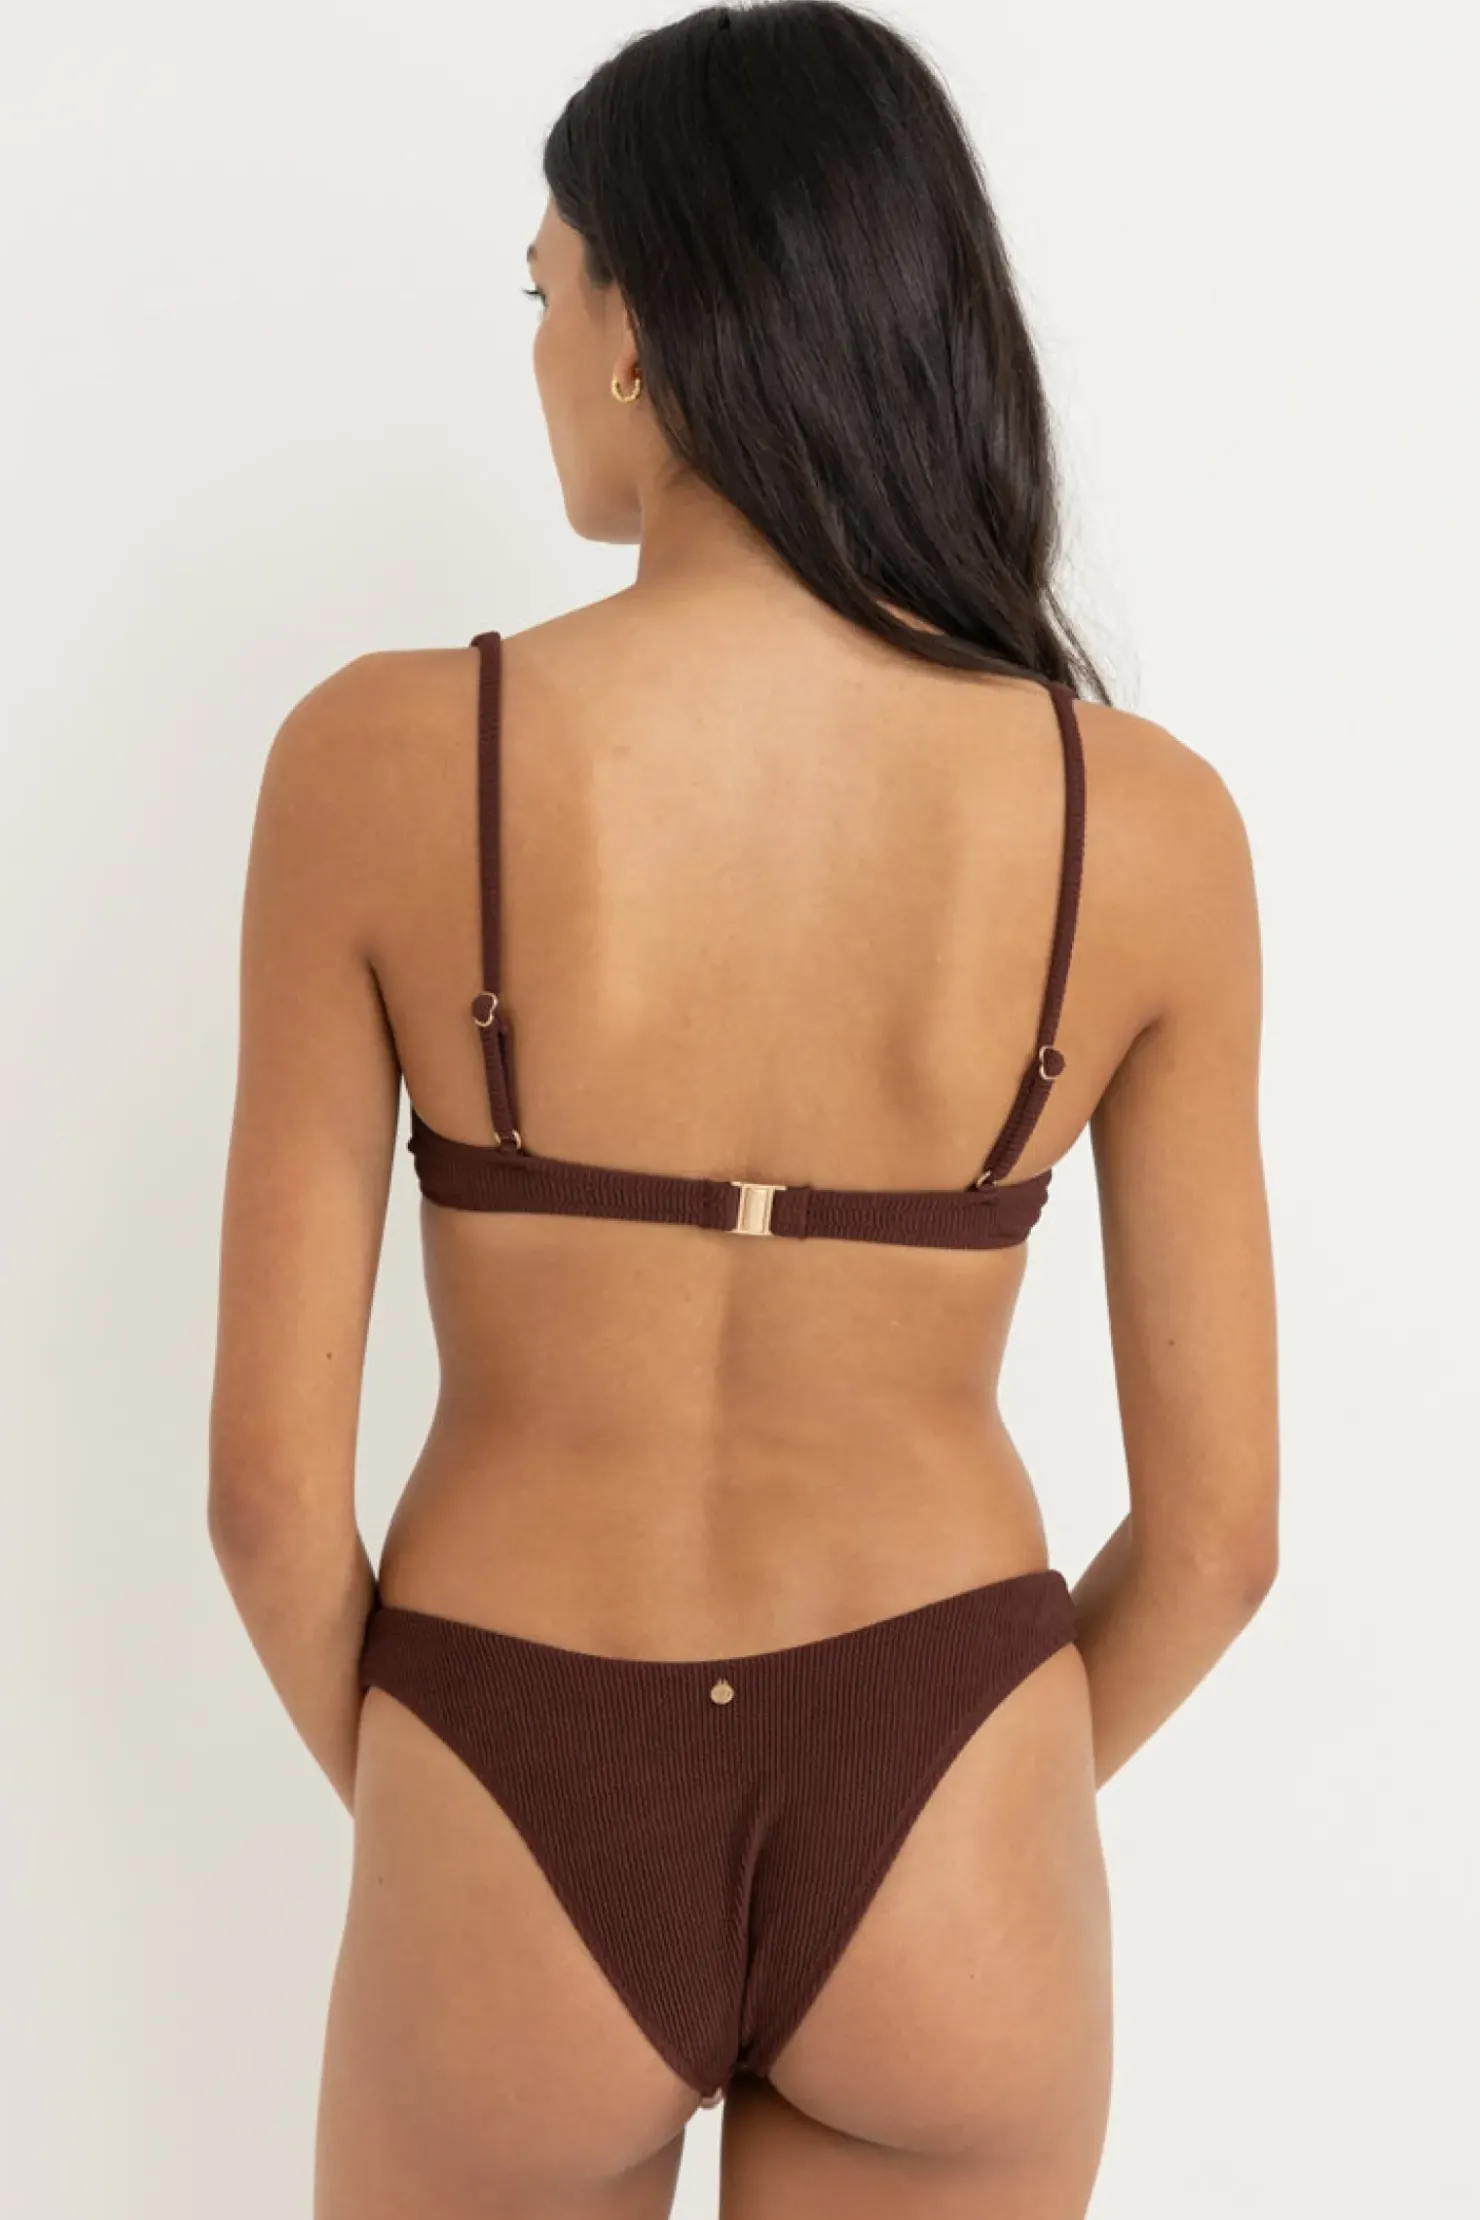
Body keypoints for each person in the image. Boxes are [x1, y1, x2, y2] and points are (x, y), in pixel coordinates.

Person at [208, 5, 1279, 2214]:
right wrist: (977, 1797)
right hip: (949, 1783)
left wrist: (456, 1818)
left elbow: (265, 1502)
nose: (537, 349)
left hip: (513, 1753)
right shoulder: (1142, 826)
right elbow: (1219, 1540)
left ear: (642, 326)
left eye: (543, 287)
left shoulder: (376, 766)